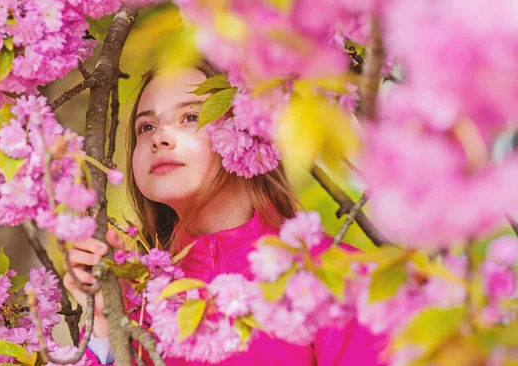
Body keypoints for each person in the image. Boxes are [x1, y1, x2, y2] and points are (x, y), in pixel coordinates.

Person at [64, 60, 386, 365]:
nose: (159, 138)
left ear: (247, 131)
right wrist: (106, 322)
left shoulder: (338, 277)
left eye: (190, 117)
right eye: (146, 126)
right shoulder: (141, 298)